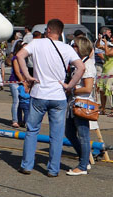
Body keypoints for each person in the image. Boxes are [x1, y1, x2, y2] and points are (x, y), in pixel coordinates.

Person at [16, 18, 84, 177]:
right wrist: (70, 85)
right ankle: (52, 169)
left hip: (39, 93)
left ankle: (26, 165)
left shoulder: (37, 43)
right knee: (57, 134)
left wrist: (27, 76)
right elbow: (81, 67)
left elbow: (19, 56)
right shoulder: (67, 48)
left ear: (48, 30)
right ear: (60, 33)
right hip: (58, 95)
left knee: (32, 130)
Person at [64, 37, 96, 177]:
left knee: (83, 135)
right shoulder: (78, 63)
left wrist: (71, 90)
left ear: (81, 48)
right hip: (74, 104)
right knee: (70, 133)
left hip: (82, 104)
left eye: (75, 46)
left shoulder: (88, 65)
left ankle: (83, 165)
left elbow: (87, 88)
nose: (73, 47)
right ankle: (84, 159)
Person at [96, 27, 113, 116]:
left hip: (111, 71)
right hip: (105, 70)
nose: (111, 39)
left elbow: (107, 53)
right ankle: (103, 109)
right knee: (102, 90)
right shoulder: (109, 46)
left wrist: (106, 43)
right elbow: (98, 46)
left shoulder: (111, 48)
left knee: (110, 91)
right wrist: (99, 40)